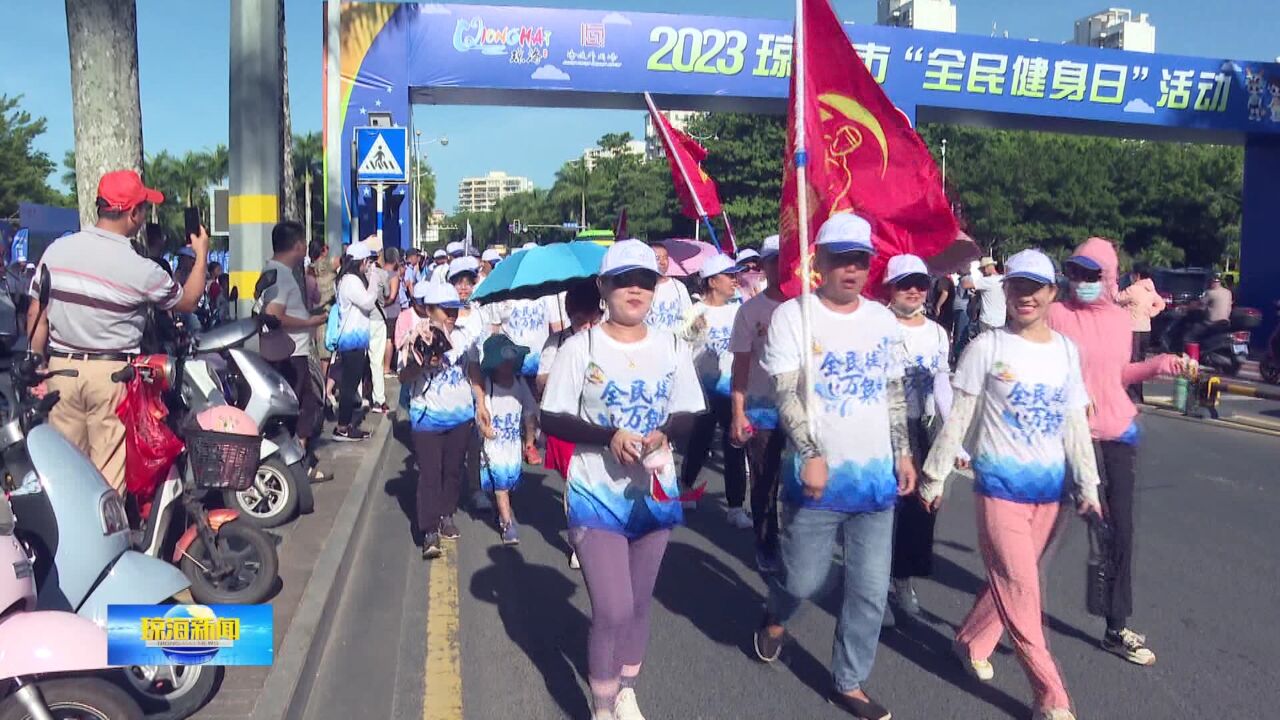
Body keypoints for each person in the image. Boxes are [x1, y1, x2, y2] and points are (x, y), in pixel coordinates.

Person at [919, 248, 1101, 720]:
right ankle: (1051, 695)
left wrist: (1088, 486)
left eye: (1035, 287)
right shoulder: (988, 347)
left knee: (1009, 579)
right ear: (1007, 289)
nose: (1025, 296)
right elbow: (958, 418)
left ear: (1052, 294)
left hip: (1049, 494)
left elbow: (1075, 425)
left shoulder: (1065, 351)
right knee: (1022, 589)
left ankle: (970, 641)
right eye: (1017, 285)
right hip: (999, 488)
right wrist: (935, 476)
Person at [752, 213, 915, 720]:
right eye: (840, 258)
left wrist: (904, 451)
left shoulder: (882, 320)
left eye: (859, 260)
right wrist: (810, 452)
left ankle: (848, 681)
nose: (850, 268)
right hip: (815, 483)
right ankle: (776, 616)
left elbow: (891, 393)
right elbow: (784, 393)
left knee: (868, 592)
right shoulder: (793, 317)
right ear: (817, 261)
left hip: (875, 484)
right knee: (804, 582)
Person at [541, 240, 704, 720]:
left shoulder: (672, 346)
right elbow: (552, 418)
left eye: (646, 281)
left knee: (637, 603)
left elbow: (690, 412)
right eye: (624, 280)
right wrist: (608, 435)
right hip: (596, 494)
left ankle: (626, 687)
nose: (636, 289)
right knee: (611, 608)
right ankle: (602, 705)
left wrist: (665, 431)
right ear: (603, 288)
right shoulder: (580, 347)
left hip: (654, 493)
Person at [1049, 239, 1188, 668]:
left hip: (1117, 433)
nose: (1082, 282)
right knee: (1041, 535)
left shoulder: (1120, 321)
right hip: (1071, 437)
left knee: (1117, 533)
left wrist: (1159, 365)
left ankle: (1115, 625)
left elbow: (1118, 374)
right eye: (1075, 272)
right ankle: (1000, 617)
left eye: (1092, 275)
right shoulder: (1055, 314)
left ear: (1109, 277)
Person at [28, 169, 210, 493]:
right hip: (111, 377)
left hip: (61, 373)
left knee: (67, 472)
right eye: (143, 209)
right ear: (133, 214)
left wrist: (38, 365)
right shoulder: (139, 268)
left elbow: (37, 313)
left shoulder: (56, 251)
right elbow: (189, 300)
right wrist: (201, 256)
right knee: (106, 479)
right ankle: (106, 541)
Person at [881, 254, 961, 624]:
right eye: (904, 284)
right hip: (881, 430)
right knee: (882, 511)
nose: (913, 291)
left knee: (921, 510)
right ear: (889, 287)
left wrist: (954, 438)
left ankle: (902, 579)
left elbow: (943, 388)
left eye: (920, 284)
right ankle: (874, 588)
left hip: (921, 428)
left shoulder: (936, 333)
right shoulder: (876, 325)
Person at [401, 281, 483, 559]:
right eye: (445, 309)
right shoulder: (416, 335)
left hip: (460, 415)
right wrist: (420, 362)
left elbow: (473, 370)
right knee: (430, 473)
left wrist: (480, 403)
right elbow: (403, 376)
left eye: (455, 309)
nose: (451, 314)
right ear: (429, 309)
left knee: (452, 470)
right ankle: (428, 529)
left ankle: (447, 514)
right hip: (426, 417)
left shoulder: (464, 336)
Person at [729, 234, 787, 573]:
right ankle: (766, 542)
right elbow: (741, 367)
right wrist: (738, 412)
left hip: (802, 413)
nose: (781, 266)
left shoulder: (809, 308)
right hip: (762, 410)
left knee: (799, 483)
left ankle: (795, 544)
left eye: (787, 258)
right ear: (763, 266)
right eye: (774, 259)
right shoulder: (750, 312)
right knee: (765, 481)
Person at [680, 253, 749, 525]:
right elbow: (680, 343)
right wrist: (693, 330)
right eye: (728, 275)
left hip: (733, 389)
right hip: (703, 389)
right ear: (711, 281)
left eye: (735, 274)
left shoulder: (739, 309)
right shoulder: (694, 312)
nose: (734, 280)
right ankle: (686, 487)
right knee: (700, 441)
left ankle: (735, 506)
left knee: (735, 444)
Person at [261, 221, 328, 475]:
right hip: (291, 354)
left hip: (287, 351)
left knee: (306, 406)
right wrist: (310, 321)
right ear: (298, 246)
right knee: (302, 410)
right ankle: (297, 464)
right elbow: (274, 315)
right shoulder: (281, 276)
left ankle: (301, 462)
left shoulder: (273, 271)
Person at [476, 334, 541, 545]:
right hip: (495, 443)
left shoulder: (519, 383)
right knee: (501, 482)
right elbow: (482, 414)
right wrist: (485, 430)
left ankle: (500, 508)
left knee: (509, 482)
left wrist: (529, 439)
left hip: (512, 442)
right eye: (503, 361)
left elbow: (529, 411)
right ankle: (507, 523)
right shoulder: (489, 386)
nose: (507, 364)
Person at [332, 241, 377, 441]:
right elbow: (368, 302)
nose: (369, 265)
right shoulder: (351, 280)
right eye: (368, 261)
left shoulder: (347, 279)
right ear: (361, 261)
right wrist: (374, 278)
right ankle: (343, 427)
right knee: (350, 386)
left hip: (354, 340)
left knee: (351, 384)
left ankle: (347, 424)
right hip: (352, 340)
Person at [1115, 265, 1166, 402]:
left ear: (1137, 275)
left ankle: (1133, 395)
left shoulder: (1134, 289)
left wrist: (1113, 284)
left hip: (1133, 329)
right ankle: (1138, 394)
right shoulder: (1150, 290)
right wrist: (1151, 313)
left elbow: (1117, 298)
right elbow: (1161, 304)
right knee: (1141, 363)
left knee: (1132, 363)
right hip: (1145, 329)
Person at [309, 239, 339, 406]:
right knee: (325, 356)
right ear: (323, 250)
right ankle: (323, 391)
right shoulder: (326, 265)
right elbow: (343, 259)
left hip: (312, 317)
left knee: (320, 355)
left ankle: (322, 388)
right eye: (327, 247)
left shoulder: (309, 271)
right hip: (325, 318)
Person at [363, 242, 391, 414]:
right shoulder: (382, 274)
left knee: (359, 360)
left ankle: (360, 396)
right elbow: (387, 294)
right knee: (376, 361)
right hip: (378, 320)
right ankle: (378, 399)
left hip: (361, 321)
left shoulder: (359, 275)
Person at [644, 241, 693, 333]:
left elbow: (689, 316)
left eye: (665, 257)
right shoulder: (641, 288)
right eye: (657, 258)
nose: (663, 262)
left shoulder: (678, 287)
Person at [963, 256, 1006, 334]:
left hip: (987, 319)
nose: (982, 272)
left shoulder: (986, 281)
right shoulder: (1004, 279)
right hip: (1001, 320)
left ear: (987, 268)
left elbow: (965, 285)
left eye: (982, 269)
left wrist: (966, 273)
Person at [379, 247, 403, 377]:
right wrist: (383, 304)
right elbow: (392, 296)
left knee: (382, 339)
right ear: (395, 259)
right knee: (389, 340)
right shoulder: (393, 276)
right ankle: (387, 368)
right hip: (391, 313)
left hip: (379, 313)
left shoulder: (378, 273)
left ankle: (381, 366)